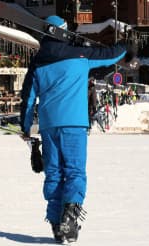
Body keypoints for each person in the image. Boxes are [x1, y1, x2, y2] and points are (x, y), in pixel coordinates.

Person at [20, 15, 135, 244]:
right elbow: (111, 55)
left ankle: (56, 223)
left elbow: (27, 97)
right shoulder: (80, 55)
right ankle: (69, 219)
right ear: (64, 31)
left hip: (48, 125)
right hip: (74, 123)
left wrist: (25, 129)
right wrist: (126, 44)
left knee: (54, 173)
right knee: (74, 171)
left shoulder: (38, 61)